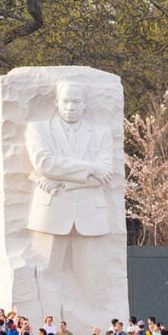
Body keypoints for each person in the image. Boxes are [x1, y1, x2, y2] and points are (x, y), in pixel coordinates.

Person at [25, 81, 116, 316]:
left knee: (92, 282)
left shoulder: (101, 132)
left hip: (91, 214)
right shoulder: (38, 128)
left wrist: (63, 179)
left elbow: (105, 173)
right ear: (56, 102)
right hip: (51, 212)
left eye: (76, 101)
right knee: (44, 276)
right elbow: (45, 164)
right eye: (65, 101)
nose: (70, 106)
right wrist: (89, 167)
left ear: (85, 104)